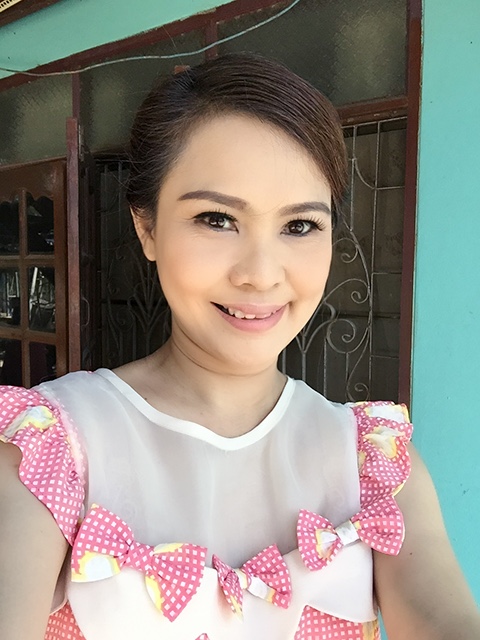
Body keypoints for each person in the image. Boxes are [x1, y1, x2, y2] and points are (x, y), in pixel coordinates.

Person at [0, 53, 478, 640]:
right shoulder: (50, 450)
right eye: (217, 219)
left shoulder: (371, 463)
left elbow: (442, 618)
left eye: (299, 225)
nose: (260, 274)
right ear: (147, 227)